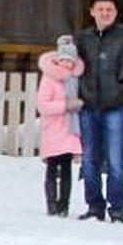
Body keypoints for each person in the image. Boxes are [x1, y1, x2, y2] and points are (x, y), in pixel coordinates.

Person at [73, 0, 123, 222]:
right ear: (92, 12)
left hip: (115, 105)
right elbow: (70, 64)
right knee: (89, 159)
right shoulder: (83, 38)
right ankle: (94, 206)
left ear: (115, 13)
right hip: (88, 105)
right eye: (101, 9)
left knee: (116, 160)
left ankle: (117, 209)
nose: (105, 13)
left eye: (109, 9)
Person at [35, 35, 84, 217]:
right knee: (51, 169)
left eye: (70, 61)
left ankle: (64, 206)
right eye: (63, 59)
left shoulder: (75, 81)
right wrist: (65, 106)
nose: (66, 64)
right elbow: (43, 105)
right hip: (53, 130)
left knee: (66, 170)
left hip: (69, 132)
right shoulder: (49, 79)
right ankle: (51, 205)